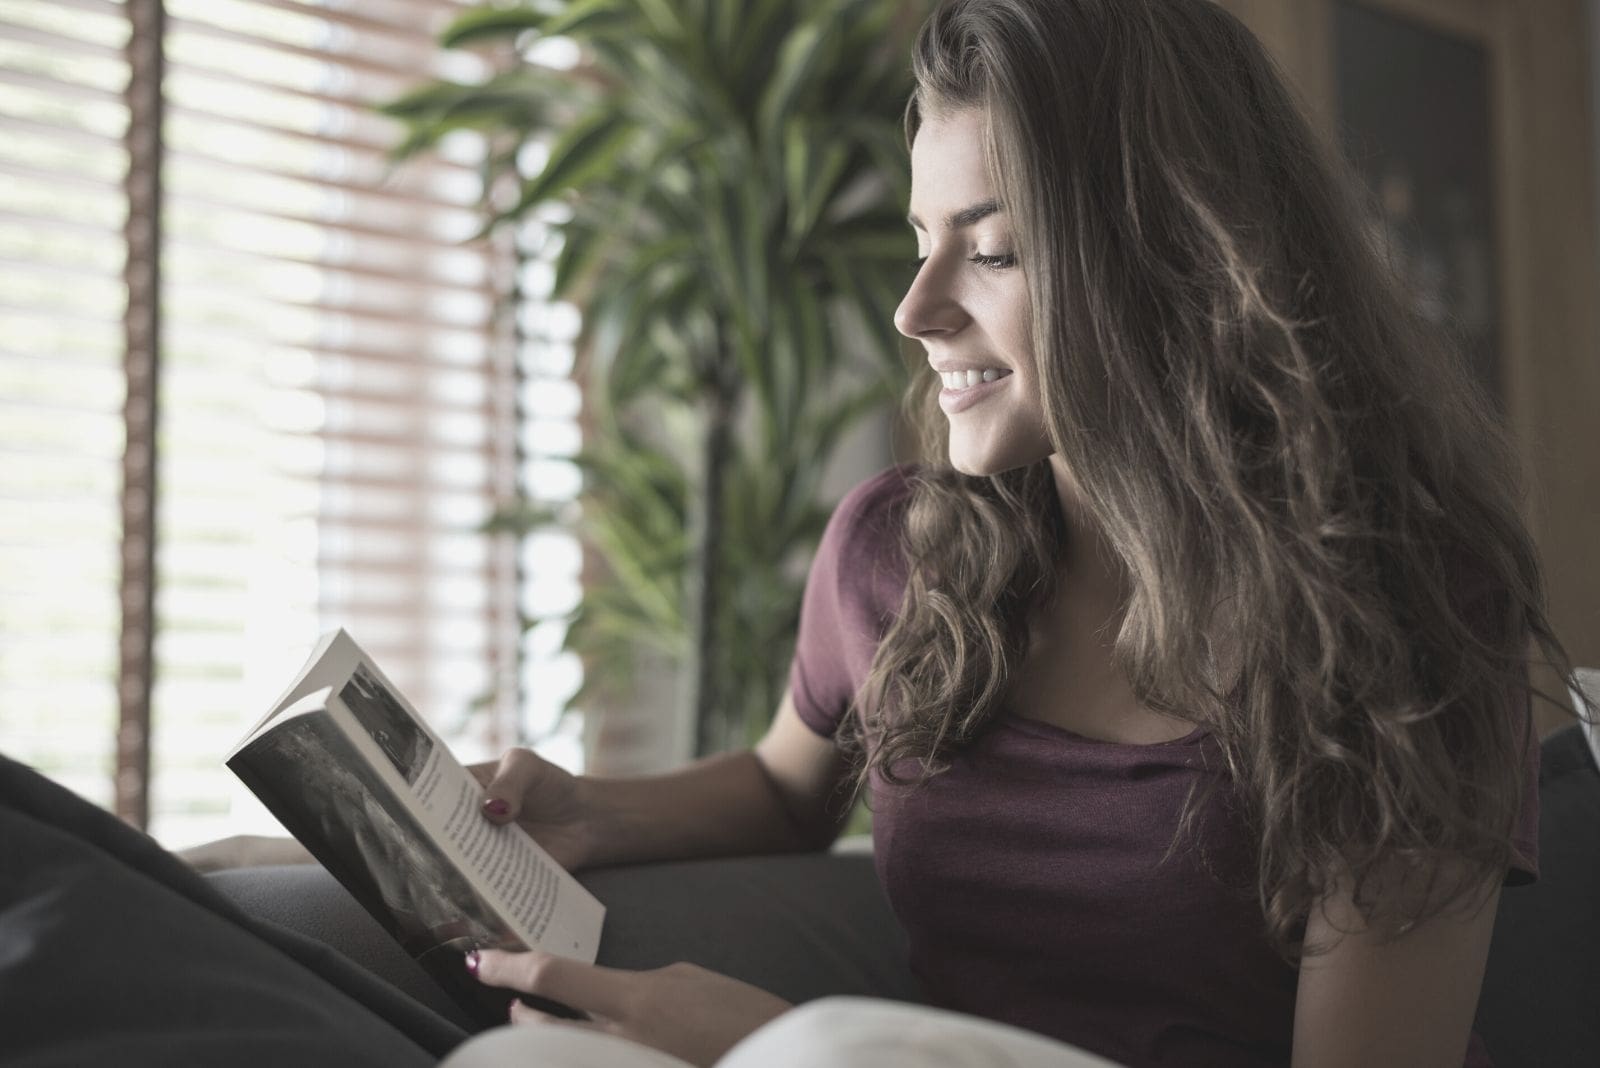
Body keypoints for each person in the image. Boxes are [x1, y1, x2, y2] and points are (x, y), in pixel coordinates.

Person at [453, 1, 1577, 1066]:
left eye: (990, 252)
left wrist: (782, 1053)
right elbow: (789, 787)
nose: (915, 306)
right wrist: (586, 811)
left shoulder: (1396, 621)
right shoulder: (897, 553)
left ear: (1177, 255)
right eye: (919, 239)